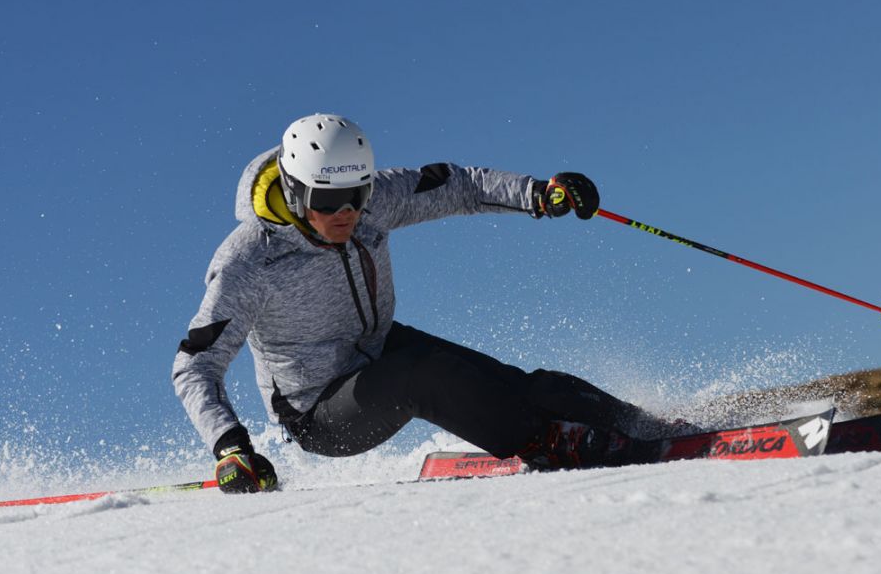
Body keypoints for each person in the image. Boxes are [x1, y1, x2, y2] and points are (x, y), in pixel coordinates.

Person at [173, 113, 683, 494]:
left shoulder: (370, 203)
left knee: (511, 383)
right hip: (318, 409)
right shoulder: (250, 259)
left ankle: (637, 423)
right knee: (426, 378)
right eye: (329, 201)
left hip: (376, 348)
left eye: (357, 194)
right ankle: (549, 444)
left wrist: (537, 194)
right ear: (295, 189)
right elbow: (195, 366)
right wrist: (230, 446)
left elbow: (458, 185)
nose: (347, 212)